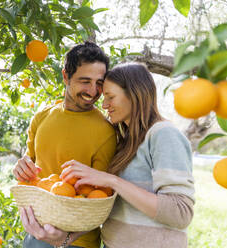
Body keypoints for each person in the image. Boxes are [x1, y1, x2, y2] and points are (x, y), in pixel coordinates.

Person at [61, 63, 195, 248]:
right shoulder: (126, 139)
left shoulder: (164, 134)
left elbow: (180, 213)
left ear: (134, 94)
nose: (105, 105)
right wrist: (66, 237)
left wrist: (112, 181)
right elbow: (118, 207)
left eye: (110, 97)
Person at [13, 41, 117, 248]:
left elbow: (100, 199)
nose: (93, 91)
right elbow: (30, 169)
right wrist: (21, 168)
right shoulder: (41, 117)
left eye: (99, 83)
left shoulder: (106, 131)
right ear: (65, 77)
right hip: (35, 233)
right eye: (85, 81)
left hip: (78, 242)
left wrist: (64, 239)